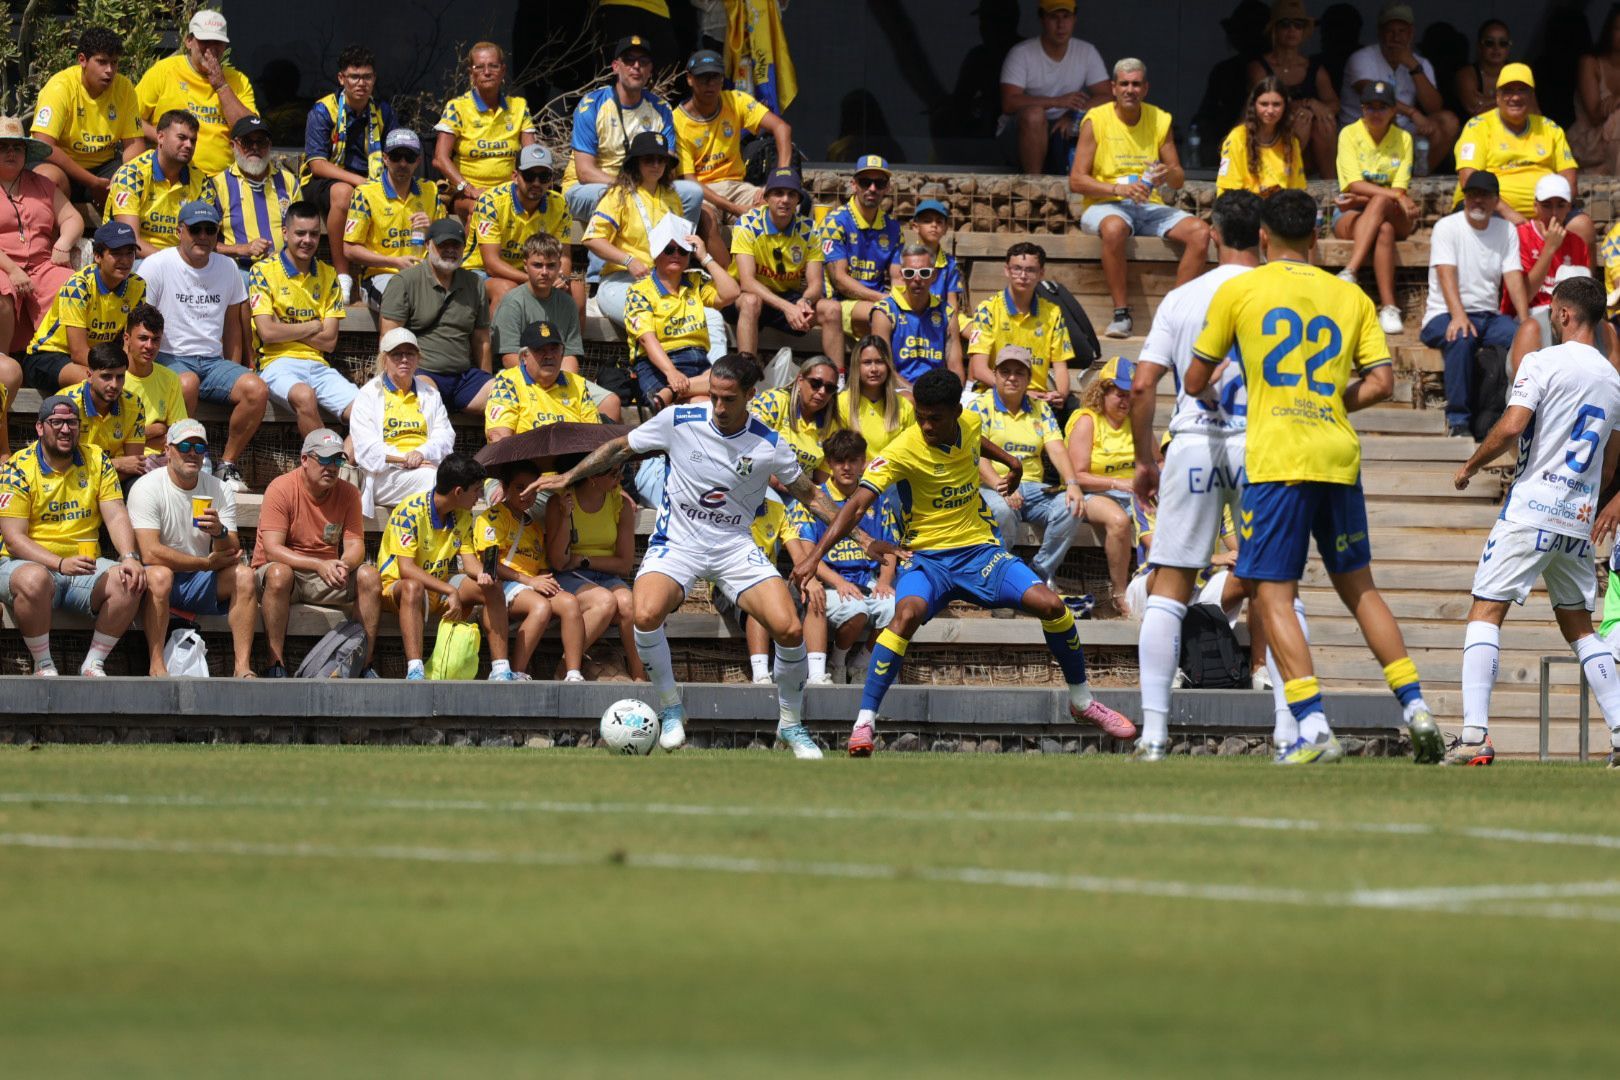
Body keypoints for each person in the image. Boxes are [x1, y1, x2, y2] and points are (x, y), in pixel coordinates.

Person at [1185, 188, 1441, 765]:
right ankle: (1417, 706)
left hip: (1279, 460)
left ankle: (1313, 724)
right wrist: (1324, 401)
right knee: (1360, 587)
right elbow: (1380, 382)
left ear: (1265, 239)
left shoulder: (1241, 289)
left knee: (1271, 592)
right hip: (1337, 453)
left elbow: (1197, 378)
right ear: (1319, 240)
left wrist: (1236, 382)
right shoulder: (1347, 297)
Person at [792, 366, 1134, 755]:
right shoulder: (903, 449)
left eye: (934, 417)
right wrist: (814, 557)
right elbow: (854, 507)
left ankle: (1082, 701)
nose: (924, 424)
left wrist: (1013, 463)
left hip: (980, 552)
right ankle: (864, 724)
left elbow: (977, 438)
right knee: (903, 616)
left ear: (955, 410)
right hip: (928, 562)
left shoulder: (968, 421)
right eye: (919, 415)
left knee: (1053, 606)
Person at [531, 352, 856, 758]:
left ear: (751, 395)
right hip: (678, 543)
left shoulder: (770, 445)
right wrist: (570, 475)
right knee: (646, 614)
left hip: (735, 545)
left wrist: (859, 535)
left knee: (789, 628)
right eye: (714, 396)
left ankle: (791, 724)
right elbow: (620, 447)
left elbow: (809, 495)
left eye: (729, 399)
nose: (718, 407)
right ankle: (671, 708)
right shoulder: (680, 421)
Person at [1127, 190, 1307, 758]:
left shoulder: (1182, 298)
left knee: (1169, 590)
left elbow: (1140, 384)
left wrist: (1142, 459)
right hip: (1264, 446)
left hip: (1195, 443)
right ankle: (1288, 728)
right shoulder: (1284, 296)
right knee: (1279, 588)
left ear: (1210, 233)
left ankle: (1153, 732)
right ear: (1263, 236)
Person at [1450, 276, 1620, 767]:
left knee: (1486, 611)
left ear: (1565, 315)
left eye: (1553, 312)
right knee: (1582, 629)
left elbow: (1512, 425)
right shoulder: (1613, 380)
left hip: (1530, 511)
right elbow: (1609, 462)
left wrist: (1470, 466)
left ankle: (1474, 734)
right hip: (1576, 520)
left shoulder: (1542, 362)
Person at [0, 394, 146, 676]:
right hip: (23, 565)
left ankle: (94, 662)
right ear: (40, 428)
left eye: (72, 422)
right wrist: (59, 563)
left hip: (83, 567)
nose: (66, 429)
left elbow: (115, 513)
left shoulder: (97, 459)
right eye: (56, 422)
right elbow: (14, 539)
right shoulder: (18, 467)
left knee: (130, 579)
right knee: (34, 579)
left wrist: (129, 556)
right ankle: (43, 664)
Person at [1070, 58, 1209, 339]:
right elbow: (1076, 180)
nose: (1130, 90)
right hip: (1105, 204)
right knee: (1114, 228)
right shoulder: (1096, 120)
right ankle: (1121, 314)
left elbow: (1179, 177)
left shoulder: (1160, 118)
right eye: (1124, 84)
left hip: (1149, 204)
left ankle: (1174, 314)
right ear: (1113, 88)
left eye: (1136, 84)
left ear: (1145, 88)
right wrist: (1117, 190)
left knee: (1201, 232)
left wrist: (1165, 174)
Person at [141, 198, 266, 489]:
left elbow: (233, 323)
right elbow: (141, 321)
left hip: (213, 362)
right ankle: (185, 454)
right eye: (196, 229)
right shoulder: (157, 265)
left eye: (210, 230)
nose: (203, 237)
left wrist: (233, 368)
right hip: (170, 356)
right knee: (186, 383)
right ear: (180, 230)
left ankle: (227, 464)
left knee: (256, 389)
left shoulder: (228, 267)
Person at [128, 419, 256, 678]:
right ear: (167, 450)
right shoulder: (147, 486)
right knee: (159, 575)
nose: (192, 453)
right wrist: (205, 564)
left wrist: (218, 531)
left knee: (245, 576)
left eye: (199, 448)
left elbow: (231, 549)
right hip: (161, 576)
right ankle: (156, 665)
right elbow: (150, 553)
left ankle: (242, 668)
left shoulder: (218, 488)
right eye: (184, 445)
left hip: (200, 578)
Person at [252, 429, 382, 678]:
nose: (331, 467)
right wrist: (317, 565)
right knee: (279, 574)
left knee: (370, 576)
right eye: (323, 460)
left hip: (326, 575)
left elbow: (356, 544)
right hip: (284, 574)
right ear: (304, 460)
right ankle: (275, 664)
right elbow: (272, 550)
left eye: (337, 461)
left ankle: (363, 664)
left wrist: (344, 563)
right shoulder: (281, 488)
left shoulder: (349, 492)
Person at [379, 451, 513, 681]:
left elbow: (469, 562)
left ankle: (501, 670)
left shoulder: (461, 514)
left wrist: (484, 575)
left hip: (437, 589)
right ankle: (415, 670)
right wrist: (450, 590)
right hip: (399, 589)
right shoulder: (409, 511)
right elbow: (406, 569)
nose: (479, 497)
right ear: (458, 492)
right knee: (413, 587)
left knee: (492, 586)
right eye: (476, 490)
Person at [783, 430, 899, 686]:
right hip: (829, 582)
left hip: (867, 580)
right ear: (830, 463)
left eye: (853, 460)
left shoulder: (879, 501)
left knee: (897, 608)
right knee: (856, 611)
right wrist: (838, 582)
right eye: (839, 461)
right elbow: (807, 554)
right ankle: (838, 660)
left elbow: (889, 552)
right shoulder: (813, 500)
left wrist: (885, 582)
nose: (846, 467)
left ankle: (862, 663)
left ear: (863, 462)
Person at [1419, 171, 1529, 438]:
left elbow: (1513, 277)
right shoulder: (1448, 226)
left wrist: (1526, 323)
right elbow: (1446, 273)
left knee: (1523, 339)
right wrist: (1458, 315)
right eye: (1472, 195)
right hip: (1443, 313)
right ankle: (1458, 420)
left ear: (1496, 200)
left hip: (1488, 316)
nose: (1477, 200)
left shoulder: (1506, 230)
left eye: (1484, 195)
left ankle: (1523, 413)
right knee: (1462, 336)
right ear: (1465, 198)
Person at [561, 35, 701, 231]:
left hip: (646, 184)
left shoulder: (661, 109)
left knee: (692, 193)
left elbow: (667, 165)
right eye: (629, 60)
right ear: (615, 66)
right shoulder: (592, 105)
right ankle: (611, 260)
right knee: (618, 198)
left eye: (643, 62)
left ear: (650, 70)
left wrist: (643, 187)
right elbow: (584, 172)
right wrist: (632, 187)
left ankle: (675, 253)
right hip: (594, 187)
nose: (636, 66)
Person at [970, 345, 1081, 589]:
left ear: (1029, 378)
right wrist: (1003, 486)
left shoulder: (1040, 408)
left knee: (1072, 505)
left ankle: (1037, 574)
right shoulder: (980, 406)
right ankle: (999, 581)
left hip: (1033, 487)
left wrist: (1072, 484)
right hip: (990, 486)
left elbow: (1056, 448)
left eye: (1019, 373)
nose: (1012, 377)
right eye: (1005, 371)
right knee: (1003, 512)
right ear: (995, 375)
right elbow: (976, 455)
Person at [477, 460, 598, 682]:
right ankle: (518, 671)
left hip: (530, 585)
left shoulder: (533, 526)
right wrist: (530, 581)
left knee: (570, 603)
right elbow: (489, 563)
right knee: (541, 607)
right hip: (503, 585)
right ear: (504, 487)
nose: (526, 494)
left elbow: (542, 567)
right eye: (519, 487)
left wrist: (564, 515)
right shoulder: (492, 518)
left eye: (532, 488)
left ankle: (572, 673)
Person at [1452, 63, 1589, 250]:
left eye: (1522, 91)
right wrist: (1512, 216)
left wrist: (1553, 214)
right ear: (1497, 96)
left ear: (1532, 96)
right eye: (1508, 91)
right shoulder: (1477, 127)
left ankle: (1580, 281)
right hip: (1494, 210)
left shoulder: (1550, 128)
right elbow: (1470, 179)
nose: (1515, 97)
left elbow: (1569, 179)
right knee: (1487, 221)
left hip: (1548, 211)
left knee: (1583, 226)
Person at [490, 233, 621, 422]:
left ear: (560, 266)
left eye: (551, 265)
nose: (544, 272)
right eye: (537, 265)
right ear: (525, 265)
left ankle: (591, 452)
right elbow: (509, 357)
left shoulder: (567, 303)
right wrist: (544, 381)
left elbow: (569, 354)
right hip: (521, 376)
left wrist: (562, 388)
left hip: (557, 375)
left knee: (611, 401)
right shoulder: (513, 302)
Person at [674, 48, 792, 254]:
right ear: (690, 79)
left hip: (737, 186)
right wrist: (735, 209)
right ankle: (729, 279)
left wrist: (778, 181)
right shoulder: (677, 120)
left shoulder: (735, 100)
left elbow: (782, 128)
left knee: (783, 205)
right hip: (704, 191)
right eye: (703, 77)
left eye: (715, 77)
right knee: (706, 219)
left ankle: (778, 275)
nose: (710, 83)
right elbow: (690, 181)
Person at [248, 202, 352, 436]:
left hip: (319, 365)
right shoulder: (262, 271)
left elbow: (329, 342)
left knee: (364, 409)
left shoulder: (329, 274)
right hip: (275, 364)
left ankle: (342, 463)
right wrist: (313, 326)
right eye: (300, 233)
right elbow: (267, 333)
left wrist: (284, 328)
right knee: (305, 396)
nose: (307, 240)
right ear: (285, 233)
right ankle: (328, 461)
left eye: (314, 234)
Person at [302, 45, 395, 298]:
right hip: (324, 181)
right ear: (342, 78)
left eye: (367, 77)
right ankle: (343, 275)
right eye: (354, 77)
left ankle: (380, 274)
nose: (361, 83)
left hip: (371, 181)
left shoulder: (382, 110)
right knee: (344, 193)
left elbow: (394, 155)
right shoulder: (323, 110)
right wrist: (360, 181)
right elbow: (317, 164)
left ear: (374, 79)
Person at [378, 218, 494, 416]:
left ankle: (497, 446)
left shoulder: (474, 283)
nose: (450, 250)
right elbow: (388, 339)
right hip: (422, 372)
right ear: (427, 245)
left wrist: (486, 377)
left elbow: (481, 340)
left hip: (463, 378)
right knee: (428, 400)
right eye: (443, 245)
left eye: (456, 245)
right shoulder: (404, 282)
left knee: (504, 399)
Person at [545, 461, 647, 682]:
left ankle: (640, 676)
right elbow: (558, 561)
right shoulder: (560, 502)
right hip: (568, 577)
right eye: (614, 473)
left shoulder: (619, 504)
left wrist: (583, 560)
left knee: (629, 604)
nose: (620, 479)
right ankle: (566, 665)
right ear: (592, 477)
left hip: (601, 573)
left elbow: (624, 563)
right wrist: (565, 516)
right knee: (605, 602)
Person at [1333, 79, 1418, 336]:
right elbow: (1354, 185)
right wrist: (1388, 196)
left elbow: (1397, 191)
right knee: (1384, 231)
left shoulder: (1403, 138)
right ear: (1362, 109)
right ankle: (1390, 307)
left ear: (1393, 111)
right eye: (1370, 107)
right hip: (1356, 214)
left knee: (1382, 202)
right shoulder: (1349, 134)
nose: (1376, 113)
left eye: (1383, 107)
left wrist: (1370, 198)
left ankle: (1350, 271)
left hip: (1390, 210)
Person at [581, 130, 687, 334]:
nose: (656, 165)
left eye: (661, 160)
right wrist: (629, 260)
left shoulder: (672, 197)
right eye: (649, 160)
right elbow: (592, 239)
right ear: (636, 162)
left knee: (708, 319)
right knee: (654, 319)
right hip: (621, 281)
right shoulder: (618, 194)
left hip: (664, 281)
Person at [623, 223, 738, 408]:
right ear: (656, 253)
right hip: (658, 365)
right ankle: (681, 390)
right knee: (706, 404)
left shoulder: (696, 281)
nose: (676, 254)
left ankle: (672, 392)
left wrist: (705, 257)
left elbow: (731, 293)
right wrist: (671, 372)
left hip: (699, 360)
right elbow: (646, 339)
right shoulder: (639, 291)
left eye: (683, 250)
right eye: (669, 249)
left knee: (734, 374)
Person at [22, 220, 145, 394]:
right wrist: (117, 372)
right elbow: (78, 352)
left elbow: (128, 342)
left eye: (130, 253)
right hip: (48, 356)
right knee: (100, 382)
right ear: (97, 256)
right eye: (116, 253)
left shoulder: (137, 286)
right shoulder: (78, 287)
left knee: (126, 381)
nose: (125, 261)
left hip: (102, 359)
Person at [1338, 3, 1460, 175]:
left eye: (1402, 31)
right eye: (1390, 31)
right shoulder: (1362, 58)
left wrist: (1413, 66)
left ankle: (1415, 180)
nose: (1396, 37)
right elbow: (1371, 95)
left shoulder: (1419, 63)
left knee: (1448, 121)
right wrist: (1412, 113)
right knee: (1388, 118)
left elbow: (1434, 107)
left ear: (1411, 33)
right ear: (1380, 33)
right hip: (1363, 130)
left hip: (1400, 132)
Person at [134, 10, 255, 178]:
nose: (211, 49)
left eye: (217, 43)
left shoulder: (238, 81)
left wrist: (221, 86)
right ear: (189, 41)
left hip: (222, 178)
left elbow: (250, 131)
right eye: (204, 41)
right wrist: (164, 137)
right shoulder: (164, 71)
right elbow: (131, 118)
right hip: (172, 175)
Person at [350, 328, 455, 521]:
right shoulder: (368, 395)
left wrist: (422, 453)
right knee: (436, 482)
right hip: (384, 476)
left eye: (410, 353)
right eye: (397, 354)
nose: (404, 359)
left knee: (457, 480)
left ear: (418, 359)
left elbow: (446, 437)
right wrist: (406, 459)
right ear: (384, 359)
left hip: (426, 466)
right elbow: (367, 451)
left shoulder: (430, 394)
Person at [29, 27, 144, 203]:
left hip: (103, 167)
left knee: (129, 182)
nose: (110, 70)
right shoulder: (60, 87)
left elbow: (134, 146)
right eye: (102, 62)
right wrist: (92, 182)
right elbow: (44, 145)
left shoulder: (124, 88)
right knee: (48, 178)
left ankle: (122, 231)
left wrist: (123, 175)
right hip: (61, 166)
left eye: (114, 63)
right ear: (82, 60)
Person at [996, 0, 1111, 175]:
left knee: (1094, 120)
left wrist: (1074, 115)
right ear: (1042, 19)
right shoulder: (1022, 53)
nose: (1061, 25)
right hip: (1019, 136)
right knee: (1034, 114)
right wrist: (1057, 101)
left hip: (1063, 130)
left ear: (1074, 19)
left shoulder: (1086, 51)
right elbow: (1009, 103)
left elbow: (1107, 96)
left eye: (1066, 17)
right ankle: (1034, 188)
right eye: (1053, 17)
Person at [1065, 357, 1141, 613]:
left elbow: (1160, 461)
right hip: (1090, 493)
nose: (1125, 401)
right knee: (1119, 521)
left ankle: (1157, 587)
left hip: (1132, 491)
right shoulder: (1087, 421)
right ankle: (1120, 592)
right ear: (1103, 391)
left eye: (1130, 395)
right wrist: (1118, 483)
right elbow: (1077, 475)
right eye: (1119, 394)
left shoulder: (1137, 421)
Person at [814, 154, 903, 371]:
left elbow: (898, 278)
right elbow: (840, 281)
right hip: (839, 302)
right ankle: (885, 376)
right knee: (884, 313)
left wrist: (900, 301)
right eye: (865, 182)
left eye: (879, 183)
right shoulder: (835, 222)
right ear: (854, 185)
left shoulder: (892, 227)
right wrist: (884, 299)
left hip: (876, 302)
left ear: (887, 188)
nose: (872, 188)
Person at [0, 118, 81, 354]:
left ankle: (54, 359)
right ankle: (3, 365)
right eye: (3, 147)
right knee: (2, 293)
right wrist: (13, 270)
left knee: (72, 285)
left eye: (17, 147)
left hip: (42, 263)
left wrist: (64, 243)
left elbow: (72, 218)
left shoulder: (42, 184)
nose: (11, 152)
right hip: (3, 265)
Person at [432, 42, 537, 220]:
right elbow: (440, 159)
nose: (487, 72)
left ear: (503, 71)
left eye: (493, 66)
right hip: (468, 194)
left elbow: (531, 156)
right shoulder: (457, 107)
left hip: (510, 191)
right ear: (471, 74)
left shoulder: (518, 107)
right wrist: (468, 188)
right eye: (479, 67)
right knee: (482, 210)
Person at [463, 145, 573, 313]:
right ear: (515, 176)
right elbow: (491, 265)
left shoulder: (560, 205)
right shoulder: (490, 202)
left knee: (577, 292)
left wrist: (561, 278)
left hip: (534, 272)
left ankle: (565, 340)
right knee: (507, 289)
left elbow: (563, 257)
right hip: (478, 272)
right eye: (529, 176)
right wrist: (534, 280)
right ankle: (497, 340)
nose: (536, 183)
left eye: (543, 177)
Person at [342, 128, 445, 308]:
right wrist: (394, 262)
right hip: (379, 275)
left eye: (409, 157)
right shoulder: (365, 193)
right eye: (396, 156)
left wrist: (432, 229)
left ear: (418, 161)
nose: (403, 163)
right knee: (401, 302)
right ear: (385, 158)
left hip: (425, 274)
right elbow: (350, 249)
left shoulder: (430, 190)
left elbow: (446, 240)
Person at [729, 167, 824, 357]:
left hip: (786, 296)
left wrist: (804, 301)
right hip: (745, 296)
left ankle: (836, 378)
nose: (785, 200)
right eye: (778, 193)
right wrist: (787, 307)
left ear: (798, 200)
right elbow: (747, 282)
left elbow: (816, 284)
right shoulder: (748, 224)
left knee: (831, 309)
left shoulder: (810, 229)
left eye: (791, 194)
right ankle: (747, 373)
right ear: (766, 197)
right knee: (751, 301)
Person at [966, 242, 1073, 404]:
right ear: (1006, 270)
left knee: (1074, 408)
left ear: (1041, 273)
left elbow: (1060, 366)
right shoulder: (987, 310)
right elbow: (979, 370)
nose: (1023, 275)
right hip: (994, 393)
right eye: (1017, 268)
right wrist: (1021, 394)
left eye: (1030, 270)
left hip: (1038, 398)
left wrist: (1060, 395)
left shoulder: (1052, 313)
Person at [1247, 0, 1340, 178]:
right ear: (1274, 30)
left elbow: (1334, 103)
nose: (1292, 30)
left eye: (1298, 25)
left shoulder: (1314, 68)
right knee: (1300, 118)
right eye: (1285, 25)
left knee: (1324, 120)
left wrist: (1314, 106)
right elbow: (1257, 106)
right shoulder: (1259, 66)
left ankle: (1330, 187)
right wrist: (1299, 107)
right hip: (1270, 142)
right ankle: (1284, 178)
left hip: (1313, 149)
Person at [206, 116, 300, 277]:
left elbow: (301, 230)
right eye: (247, 142)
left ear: (269, 146)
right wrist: (242, 249)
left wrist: (285, 256)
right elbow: (204, 242)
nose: (255, 147)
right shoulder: (218, 185)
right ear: (233, 145)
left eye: (261, 142)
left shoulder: (287, 181)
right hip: (238, 271)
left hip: (283, 271)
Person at [105, 109, 205, 257]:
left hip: (183, 262)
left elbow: (203, 238)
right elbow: (129, 239)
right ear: (160, 137)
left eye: (193, 140)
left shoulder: (201, 181)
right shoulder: (131, 175)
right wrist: (174, 264)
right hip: (131, 259)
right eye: (182, 137)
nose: (189, 145)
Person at [485, 320, 601, 441]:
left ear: (562, 354)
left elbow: (595, 435)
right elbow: (498, 436)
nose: (549, 356)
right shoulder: (507, 383)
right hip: (522, 456)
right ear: (524, 356)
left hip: (572, 457)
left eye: (554, 349)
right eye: (540, 350)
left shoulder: (578, 384)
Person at [870, 244, 962, 389]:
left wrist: (951, 395)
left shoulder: (947, 313)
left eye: (924, 273)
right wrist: (916, 394)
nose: (917, 278)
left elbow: (956, 367)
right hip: (897, 390)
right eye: (910, 273)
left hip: (936, 391)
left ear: (934, 275)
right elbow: (884, 368)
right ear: (901, 275)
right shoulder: (884, 312)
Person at [750, 354, 843, 480]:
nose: (822, 392)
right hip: (758, 479)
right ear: (800, 380)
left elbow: (821, 479)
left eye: (830, 388)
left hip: (798, 491)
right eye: (816, 383)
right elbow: (749, 447)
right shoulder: (774, 401)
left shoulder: (830, 425)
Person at [1510, 175, 1590, 316]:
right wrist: (1549, 249)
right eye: (1547, 205)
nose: (1554, 213)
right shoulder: (1520, 236)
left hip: (1568, 315)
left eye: (1560, 205)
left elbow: (1584, 295)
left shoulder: (1577, 243)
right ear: (1536, 206)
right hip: (1527, 314)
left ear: (1569, 207)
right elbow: (1525, 295)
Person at [61, 342, 144, 479]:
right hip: (74, 481)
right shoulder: (66, 405)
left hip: (114, 479)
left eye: (120, 377)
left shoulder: (134, 404)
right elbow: (62, 464)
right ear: (89, 375)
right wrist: (115, 463)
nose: (114, 385)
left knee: (138, 483)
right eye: (106, 376)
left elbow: (134, 465)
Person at [1218, 78, 1307, 198]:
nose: (1270, 110)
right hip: (1244, 209)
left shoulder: (1291, 141)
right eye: (1264, 104)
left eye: (1276, 104)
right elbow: (1228, 192)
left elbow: (1297, 190)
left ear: (1285, 106)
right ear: (1254, 105)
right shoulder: (1237, 138)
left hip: (1281, 210)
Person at [120, 304, 186, 452]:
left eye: (155, 340)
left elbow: (178, 437)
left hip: (162, 463)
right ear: (127, 339)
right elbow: (114, 438)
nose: (149, 346)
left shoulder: (170, 379)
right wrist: (157, 429)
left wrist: (132, 438)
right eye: (143, 338)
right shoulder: (114, 379)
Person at [836, 336, 915, 457]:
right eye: (867, 362)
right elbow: (837, 453)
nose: (874, 369)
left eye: (879, 362)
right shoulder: (841, 402)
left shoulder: (904, 406)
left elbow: (910, 453)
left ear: (888, 366)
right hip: (854, 473)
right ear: (857, 366)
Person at [1572, 9, 1620, 175]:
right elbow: (1594, 116)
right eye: (1618, 29)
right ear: (1609, 31)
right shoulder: (1590, 63)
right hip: (1591, 140)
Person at [909, 199, 965, 314]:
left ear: (945, 229)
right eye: (927, 221)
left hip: (942, 315)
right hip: (913, 314)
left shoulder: (950, 263)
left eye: (939, 222)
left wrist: (951, 324)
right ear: (915, 227)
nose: (934, 225)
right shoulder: (906, 259)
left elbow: (952, 302)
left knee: (973, 330)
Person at [1455, 19, 1512, 118]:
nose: (1496, 48)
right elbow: (1475, 109)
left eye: (1503, 43)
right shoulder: (1466, 74)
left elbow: (1533, 110)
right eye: (1489, 43)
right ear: (1479, 46)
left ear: (1508, 48)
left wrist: (1488, 102)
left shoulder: (1517, 73)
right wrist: (1508, 100)